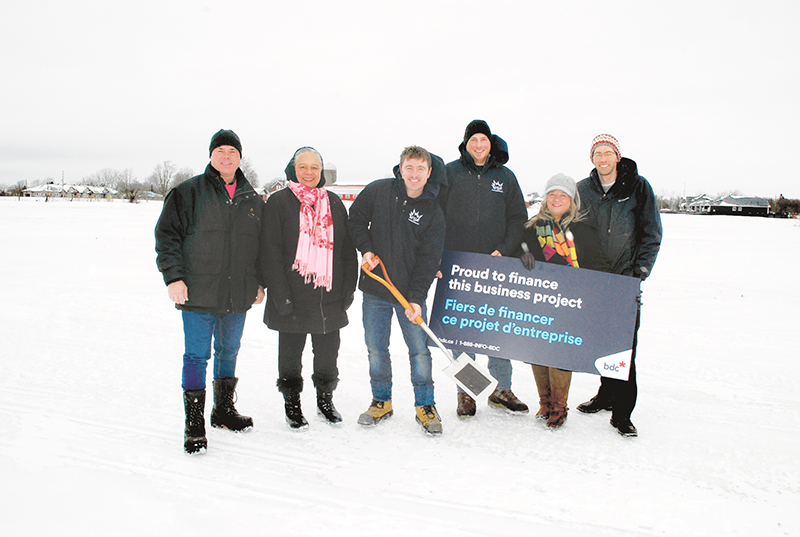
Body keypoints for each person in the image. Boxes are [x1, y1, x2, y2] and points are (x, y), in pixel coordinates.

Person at [155, 129, 265, 454]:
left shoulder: (252, 199)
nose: (227, 156)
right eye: (221, 151)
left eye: (233, 151)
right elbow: (167, 237)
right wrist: (173, 278)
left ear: (240, 157)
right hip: (198, 292)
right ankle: (194, 422)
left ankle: (223, 411)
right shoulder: (187, 193)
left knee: (229, 351)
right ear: (211, 156)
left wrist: (259, 282)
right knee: (197, 355)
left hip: (238, 293)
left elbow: (260, 247)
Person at [348, 146, 447, 435]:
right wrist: (366, 250)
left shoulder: (433, 212)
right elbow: (355, 219)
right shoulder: (378, 191)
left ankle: (425, 405)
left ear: (429, 173)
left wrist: (416, 299)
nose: (414, 174)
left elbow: (430, 260)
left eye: (420, 169)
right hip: (375, 289)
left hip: (408, 297)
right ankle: (381, 401)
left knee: (419, 351)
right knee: (376, 349)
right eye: (409, 167)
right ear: (400, 168)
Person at [260, 147, 358, 429]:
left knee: (328, 353)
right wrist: (280, 296)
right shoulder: (279, 202)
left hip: (329, 295)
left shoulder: (334, 203)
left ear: (321, 171)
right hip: (290, 295)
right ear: (293, 169)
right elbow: (270, 253)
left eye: (314, 167)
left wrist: (348, 290)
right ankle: (292, 403)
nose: (309, 172)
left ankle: (325, 399)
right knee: (290, 354)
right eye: (302, 167)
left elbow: (346, 252)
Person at [440, 119, 529, 417]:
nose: (479, 145)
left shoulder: (505, 177)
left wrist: (504, 249)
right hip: (459, 266)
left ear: (491, 143)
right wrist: (440, 256)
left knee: (497, 327)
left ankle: (501, 389)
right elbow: (435, 215)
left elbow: (518, 218)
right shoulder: (450, 173)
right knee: (463, 331)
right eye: (473, 139)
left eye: (484, 139)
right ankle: (467, 391)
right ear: (465, 143)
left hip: (495, 266)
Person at [575, 134, 662, 437]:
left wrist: (641, 270)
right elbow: (569, 228)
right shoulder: (582, 190)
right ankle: (606, 394)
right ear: (592, 159)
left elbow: (652, 232)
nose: (602, 159)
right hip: (594, 282)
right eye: (597, 154)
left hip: (625, 280)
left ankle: (622, 413)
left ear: (617, 156)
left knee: (625, 348)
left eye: (607, 153)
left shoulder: (638, 187)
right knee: (600, 342)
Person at [516, 173, 611, 428]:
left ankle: (559, 407)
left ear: (572, 200)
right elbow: (521, 248)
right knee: (538, 352)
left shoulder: (583, 228)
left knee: (559, 353)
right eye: (552, 194)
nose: (557, 199)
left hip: (571, 301)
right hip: (539, 300)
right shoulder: (533, 226)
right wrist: (524, 256)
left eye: (563, 195)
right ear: (545, 198)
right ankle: (544, 403)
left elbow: (598, 263)